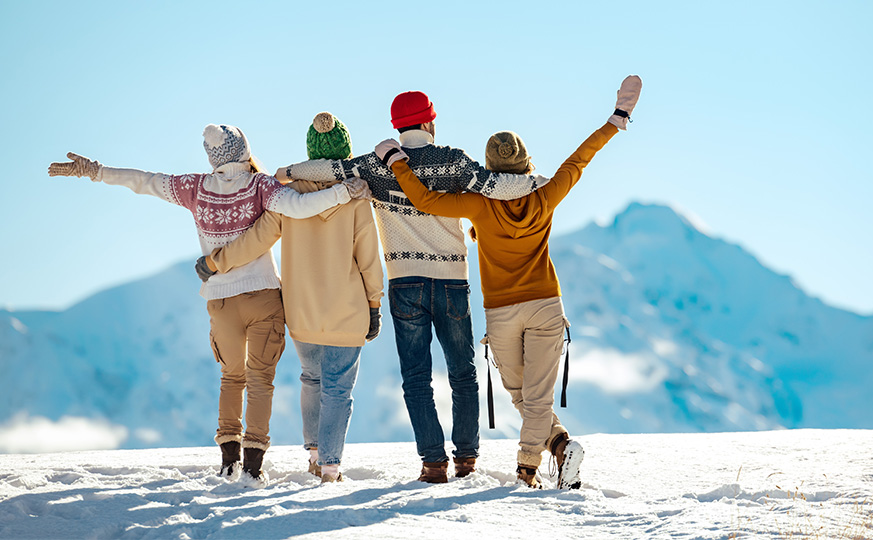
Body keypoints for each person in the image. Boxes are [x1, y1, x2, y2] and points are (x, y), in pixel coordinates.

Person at [48, 124, 371, 484]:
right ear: (243, 148)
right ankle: (253, 466)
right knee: (261, 380)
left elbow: (146, 181)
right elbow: (300, 206)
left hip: (220, 299)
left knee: (231, 378)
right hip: (263, 296)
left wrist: (96, 171)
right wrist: (344, 193)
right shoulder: (261, 186)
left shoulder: (195, 188)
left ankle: (229, 460)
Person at [373, 75, 643, 488]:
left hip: (501, 314)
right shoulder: (545, 195)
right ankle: (560, 446)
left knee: (524, 396)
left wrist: (396, 162)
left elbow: (425, 200)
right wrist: (616, 119)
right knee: (530, 397)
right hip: (546, 307)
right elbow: (579, 159)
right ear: (526, 165)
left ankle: (527, 470)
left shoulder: (479, 205)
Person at [274, 93, 552, 483]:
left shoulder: (374, 166)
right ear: (430, 123)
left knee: (417, 376)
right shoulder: (453, 159)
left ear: (398, 128)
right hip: (453, 280)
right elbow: (497, 186)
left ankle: (433, 463)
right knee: (462, 373)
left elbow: (328, 168)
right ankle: (467, 458)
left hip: (405, 282)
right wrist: (539, 182)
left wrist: (287, 171)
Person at [198, 113, 384, 484]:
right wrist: (375, 304)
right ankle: (330, 468)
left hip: (299, 311)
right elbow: (368, 259)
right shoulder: (355, 197)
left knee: (311, 379)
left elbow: (255, 240)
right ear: (343, 153)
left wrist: (215, 261)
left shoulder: (289, 196)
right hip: (347, 310)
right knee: (337, 389)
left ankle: (315, 457)